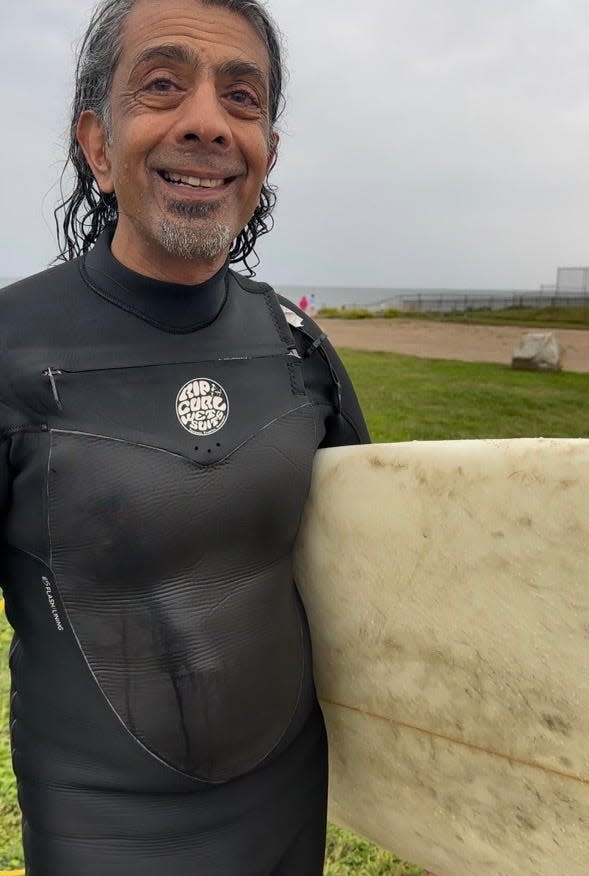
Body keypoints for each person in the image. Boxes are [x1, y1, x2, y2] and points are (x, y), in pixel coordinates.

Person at [0, 1, 369, 874]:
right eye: (162, 86)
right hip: (102, 826)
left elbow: (377, 569)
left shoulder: (296, 343)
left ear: (266, 154)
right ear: (97, 144)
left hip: (285, 799)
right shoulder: (12, 345)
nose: (207, 122)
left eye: (243, 99)